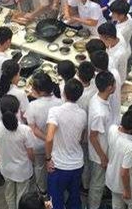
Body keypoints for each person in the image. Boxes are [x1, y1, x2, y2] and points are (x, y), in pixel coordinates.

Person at [45, 78, 87, 209]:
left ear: (64, 93)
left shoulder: (55, 112)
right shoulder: (82, 114)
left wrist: (48, 159)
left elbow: (49, 138)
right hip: (77, 163)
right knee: (74, 197)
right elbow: (81, 137)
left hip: (59, 165)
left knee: (55, 200)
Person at [0, 95, 35, 209]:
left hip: (5, 167)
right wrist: (33, 163)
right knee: (22, 194)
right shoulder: (25, 130)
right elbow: (30, 154)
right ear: (18, 110)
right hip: (23, 169)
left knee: (9, 192)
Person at [25, 72, 63, 190]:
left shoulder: (33, 106)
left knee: (40, 167)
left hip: (39, 144)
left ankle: (42, 189)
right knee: (54, 165)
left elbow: (33, 128)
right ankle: (54, 187)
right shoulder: (59, 102)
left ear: (39, 91)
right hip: (55, 142)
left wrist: (46, 137)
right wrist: (50, 138)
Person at [87, 71, 116, 209]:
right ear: (110, 88)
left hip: (104, 146)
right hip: (100, 152)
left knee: (99, 181)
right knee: (97, 184)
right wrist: (103, 157)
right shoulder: (100, 113)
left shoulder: (97, 98)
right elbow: (93, 137)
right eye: (114, 83)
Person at [105, 109, 132, 209]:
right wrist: (127, 190)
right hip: (128, 186)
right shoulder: (130, 147)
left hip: (113, 179)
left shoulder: (112, 129)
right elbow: (124, 172)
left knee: (117, 206)